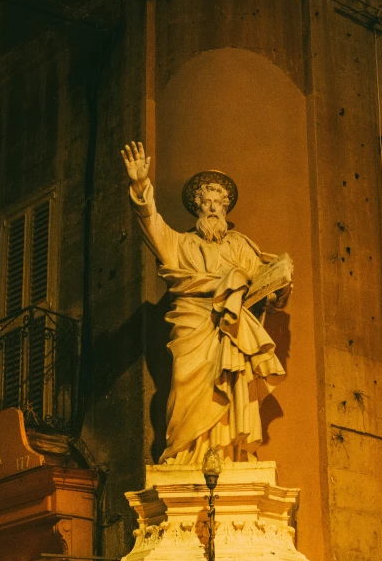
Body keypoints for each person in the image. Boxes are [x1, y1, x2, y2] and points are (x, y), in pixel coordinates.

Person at [121, 141, 289, 465]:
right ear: (197, 207)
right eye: (206, 202)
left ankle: (226, 453)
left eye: (218, 203)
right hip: (191, 329)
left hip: (230, 331)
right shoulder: (181, 245)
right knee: (183, 392)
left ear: (225, 209)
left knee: (232, 382)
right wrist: (141, 187)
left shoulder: (241, 247)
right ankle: (185, 453)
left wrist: (279, 284)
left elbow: (265, 284)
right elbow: (151, 226)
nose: (212, 208)